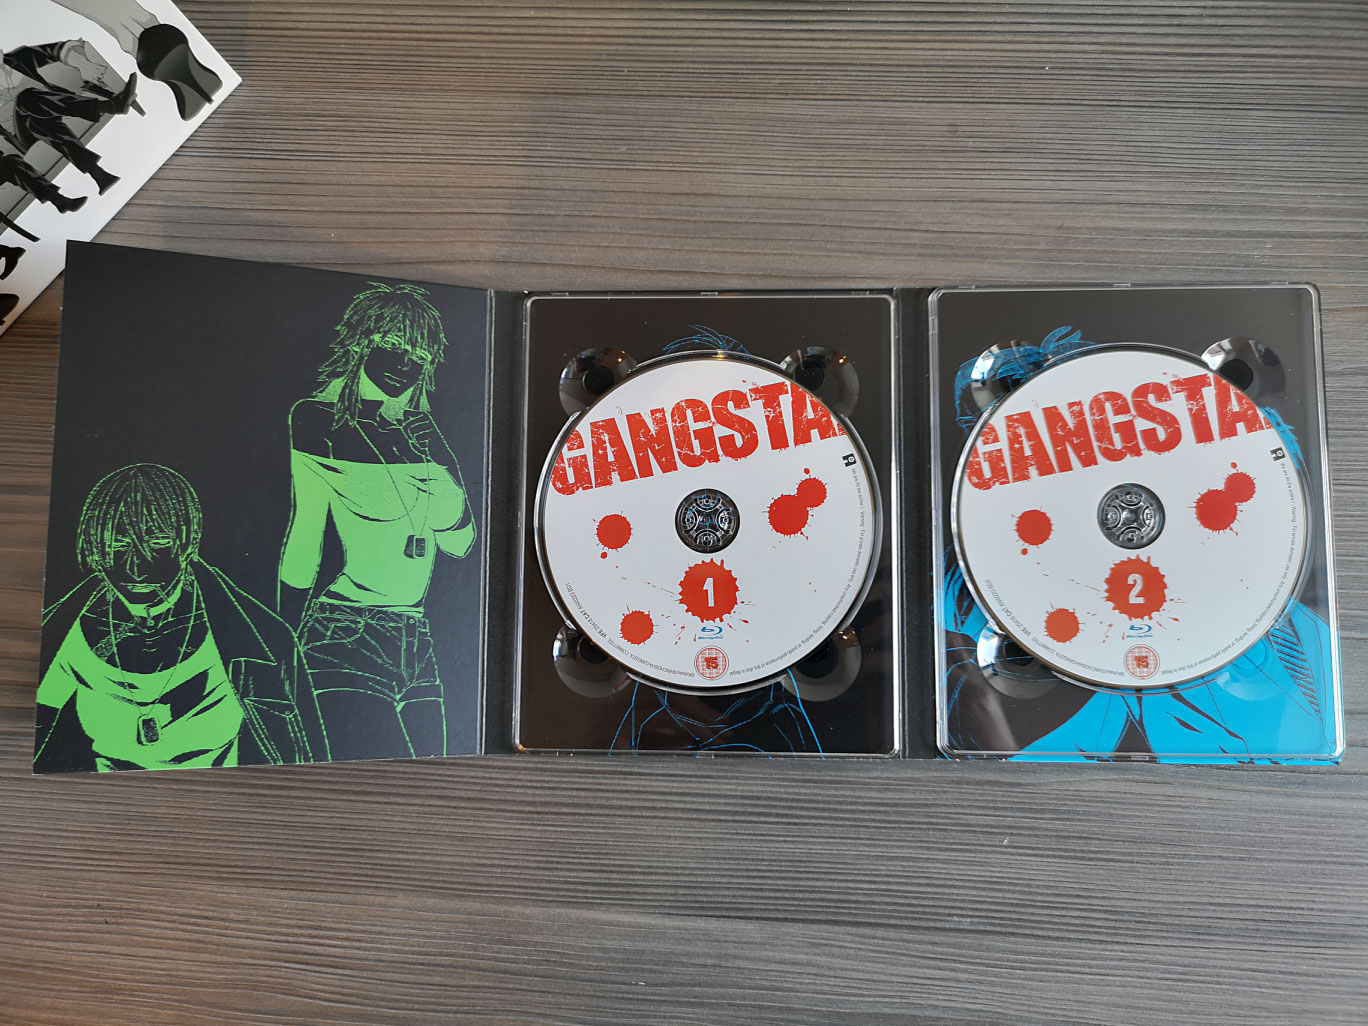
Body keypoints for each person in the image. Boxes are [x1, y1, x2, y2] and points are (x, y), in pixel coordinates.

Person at [279, 283, 477, 761]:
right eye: (392, 346)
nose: (403, 366)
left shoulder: (418, 433)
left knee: (438, 772)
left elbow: (460, 543)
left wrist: (441, 456)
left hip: (416, 635)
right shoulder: (316, 421)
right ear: (361, 341)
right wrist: (282, 643)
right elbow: (304, 534)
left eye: (418, 357)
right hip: (344, 631)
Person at [36, 464, 326, 772]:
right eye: (117, 545)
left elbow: (303, 752)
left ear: (188, 540)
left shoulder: (262, 639)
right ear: (96, 548)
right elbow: (30, 724)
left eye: (157, 542)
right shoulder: (66, 634)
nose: (136, 568)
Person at [1, 41, 137, 195]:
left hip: (47, 114)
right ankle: (109, 106)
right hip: (24, 134)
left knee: (44, 124)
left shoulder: (17, 59)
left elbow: (54, 50)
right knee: (26, 99)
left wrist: (82, 64)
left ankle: (99, 175)